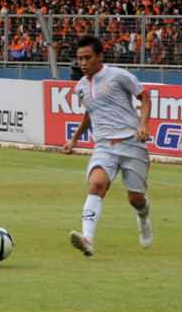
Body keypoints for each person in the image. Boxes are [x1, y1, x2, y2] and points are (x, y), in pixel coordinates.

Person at [61, 35, 153, 257]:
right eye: (80, 59)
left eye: (88, 58)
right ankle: (87, 239)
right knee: (96, 185)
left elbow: (145, 97)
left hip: (132, 144)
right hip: (104, 146)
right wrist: (74, 139)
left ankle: (143, 217)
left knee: (135, 199)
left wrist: (143, 126)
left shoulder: (119, 76)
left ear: (100, 56)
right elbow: (90, 113)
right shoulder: (80, 87)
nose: (83, 63)